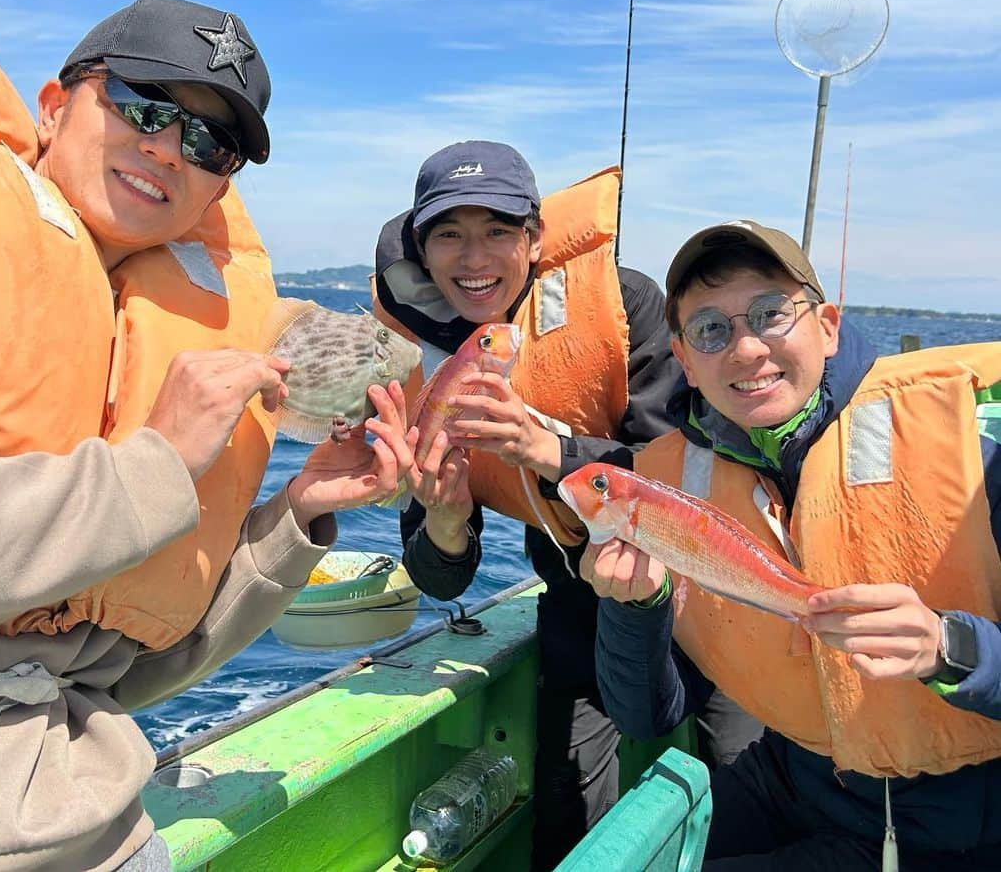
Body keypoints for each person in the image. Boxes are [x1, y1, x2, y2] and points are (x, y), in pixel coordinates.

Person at [0, 0, 414, 870]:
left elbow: (131, 670)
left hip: (98, 825)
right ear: (54, 103)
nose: (165, 148)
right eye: (143, 104)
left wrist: (295, 518)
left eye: (208, 141)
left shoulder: (174, 324)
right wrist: (152, 466)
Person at [372, 141, 759, 869]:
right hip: (580, 613)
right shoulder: (424, 363)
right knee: (566, 819)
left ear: (537, 238)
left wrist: (549, 447)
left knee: (748, 793)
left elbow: (679, 475)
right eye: (448, 233)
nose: (473, 255)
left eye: (497, 229)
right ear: (422, 250)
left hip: (709, 605)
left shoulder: (626, 305)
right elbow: (442, 579)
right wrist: (448, 521)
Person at [584, 218, 1001, 870]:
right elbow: (649, 713)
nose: (747, 350)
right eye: (711, 330)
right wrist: (631, 607)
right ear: (684, 359)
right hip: (791, 774)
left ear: (828, 325)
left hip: (950, 823)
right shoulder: (670, 483)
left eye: (771, 313)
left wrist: (951, 647)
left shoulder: (971, 447)